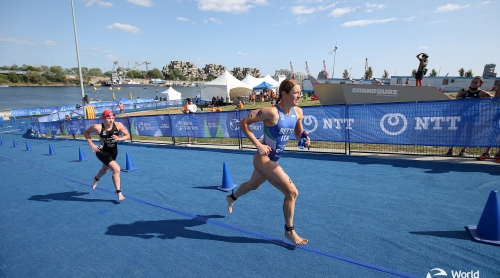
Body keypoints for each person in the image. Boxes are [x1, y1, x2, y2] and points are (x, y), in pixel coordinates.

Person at [225, 79, 310, 245]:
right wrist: (258, 144)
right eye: (296, 93)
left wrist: (304, 138)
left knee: (252, 185)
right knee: (292, 192)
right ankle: (289, 231)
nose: (299, 95)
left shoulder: (298, 112)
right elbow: (244, 123)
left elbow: (298, 131)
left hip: (273, 159)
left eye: (300, 92)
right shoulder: (272, 112)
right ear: (284, 94)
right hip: (263, 159)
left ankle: (232, 196)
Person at [84, 110, 130, 201]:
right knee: (116, 169)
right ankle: (119, 192)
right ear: (103, 118)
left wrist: (119, 138)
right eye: (109, 118)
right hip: (101, 152)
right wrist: (91, 144)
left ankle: (96, 178)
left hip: (113, 151)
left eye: (113, 118)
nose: (111, 120)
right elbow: (86, 132)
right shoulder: (97, 127)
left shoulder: (118, 125)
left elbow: (127, 135)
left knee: (105, 169)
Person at [446, 76, 492, 156]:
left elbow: (492, 97)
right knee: (458, 132)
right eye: (472, 82)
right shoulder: (465, 92)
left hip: (473, 116)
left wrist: (486, 103)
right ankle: (452, 149)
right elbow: (457, 100)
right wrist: (459, 94)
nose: (473, 84)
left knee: (469, 133)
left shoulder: (481, 93)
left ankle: (464, 150)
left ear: (480, 84)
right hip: (462, 115)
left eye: (476, 83)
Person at [477, 85, 500, 161]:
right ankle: (487, 153)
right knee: (494, 132)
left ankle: (498, 154)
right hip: (497, 113)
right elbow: (496, 96)